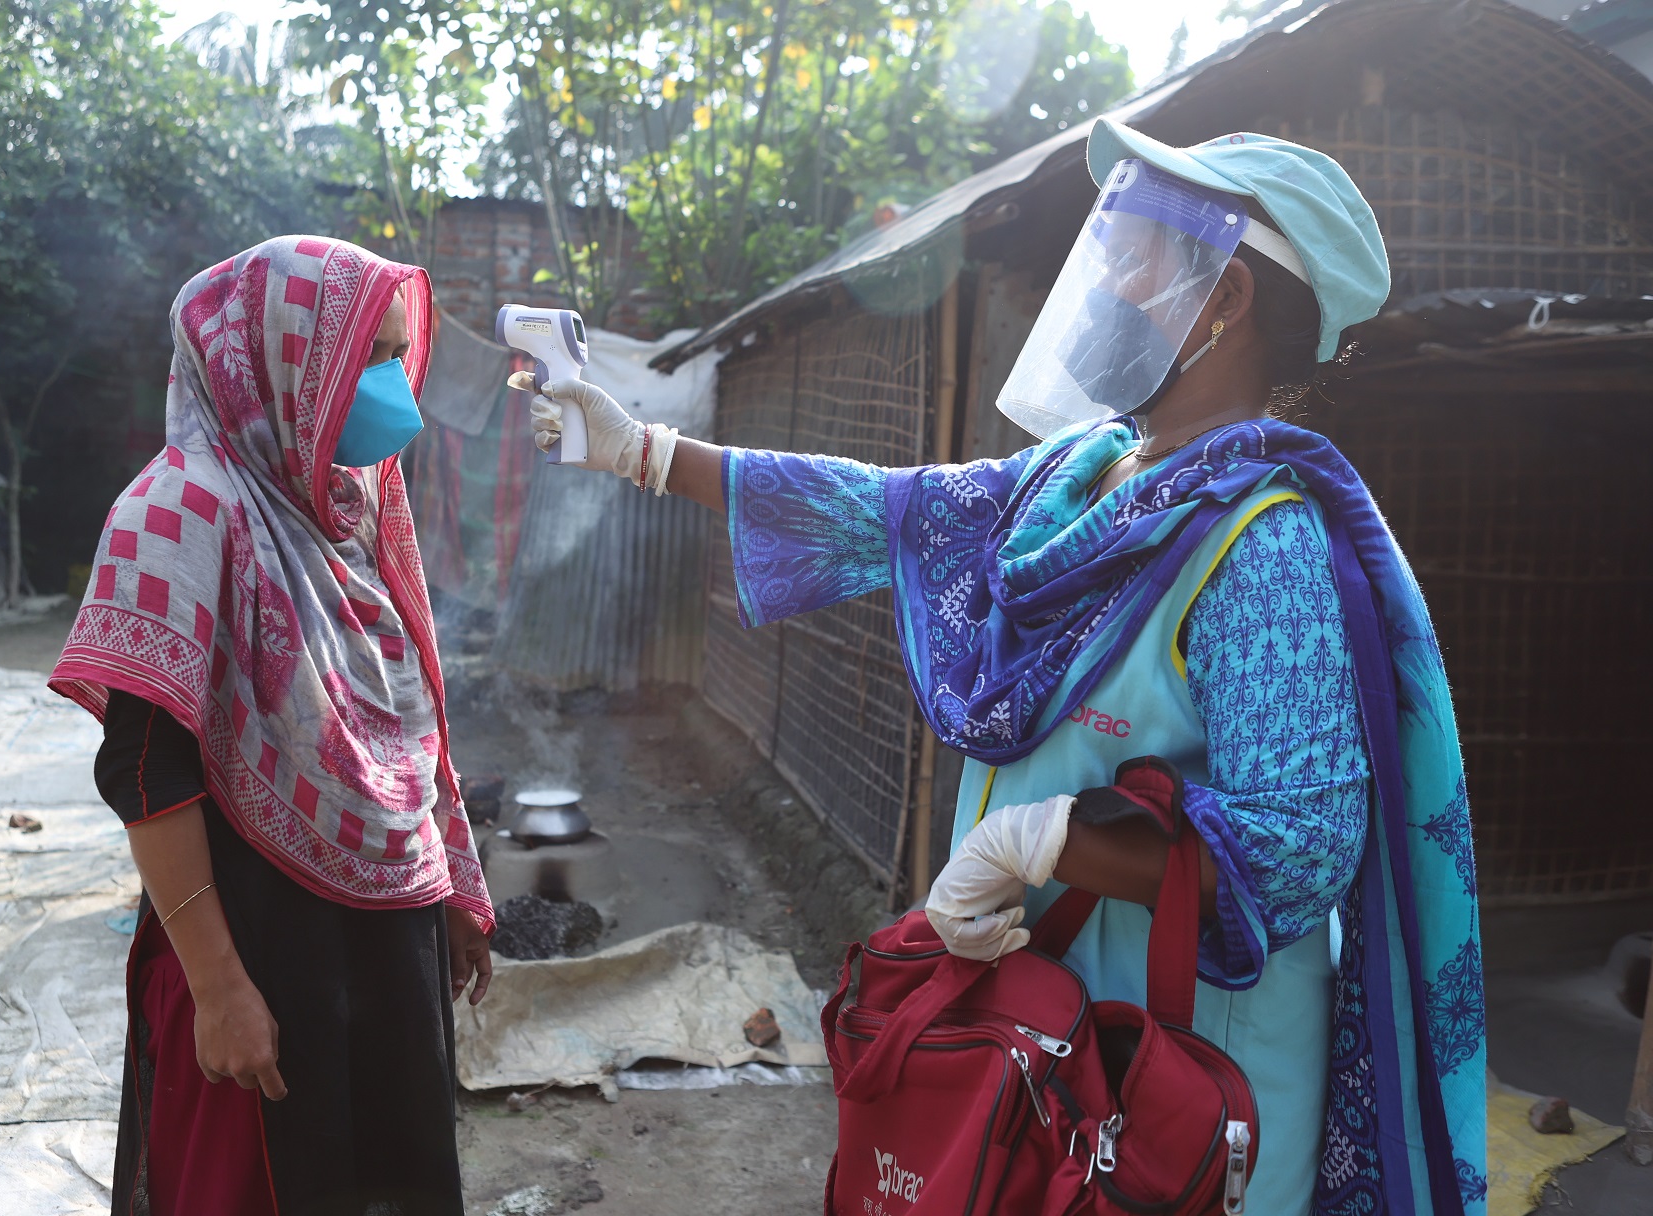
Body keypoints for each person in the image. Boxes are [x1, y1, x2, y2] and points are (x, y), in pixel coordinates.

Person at [518, 119, 1487, 1215]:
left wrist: (1040, 840)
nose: (1106, 276)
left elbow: (1300, 849)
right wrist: (637, 447)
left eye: (1139, 252)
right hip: (1052, 1061)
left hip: (1183, 1105)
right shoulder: (1076, 476)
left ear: (1223, 302)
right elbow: (878, 510)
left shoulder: (1261, 546)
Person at [51, 235, 493, 1216]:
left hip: (384, 949)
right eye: (368, 357)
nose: (392, 390)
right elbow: (145, 773)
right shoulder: (175, 517)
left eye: (393, 353)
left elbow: (407, 719)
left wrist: (451, 886)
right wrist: (218, 989)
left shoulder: (350, 505)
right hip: (261, 959)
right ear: (281, 360)